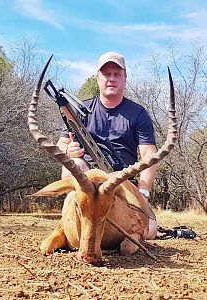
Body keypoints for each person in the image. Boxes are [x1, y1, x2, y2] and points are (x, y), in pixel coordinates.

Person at [56, 51, 158, 239]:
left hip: (122, 181)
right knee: (73, 165)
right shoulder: (79, 111)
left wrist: (143, 192)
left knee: (149, 232)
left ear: (125, 78)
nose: (111, 79)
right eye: (106, 74)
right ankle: (72, 218)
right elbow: (61, 145)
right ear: (98, 78)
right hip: (88, 181)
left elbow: (149, 156)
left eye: (117, 74)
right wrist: (68, 150)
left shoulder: (138, 114)